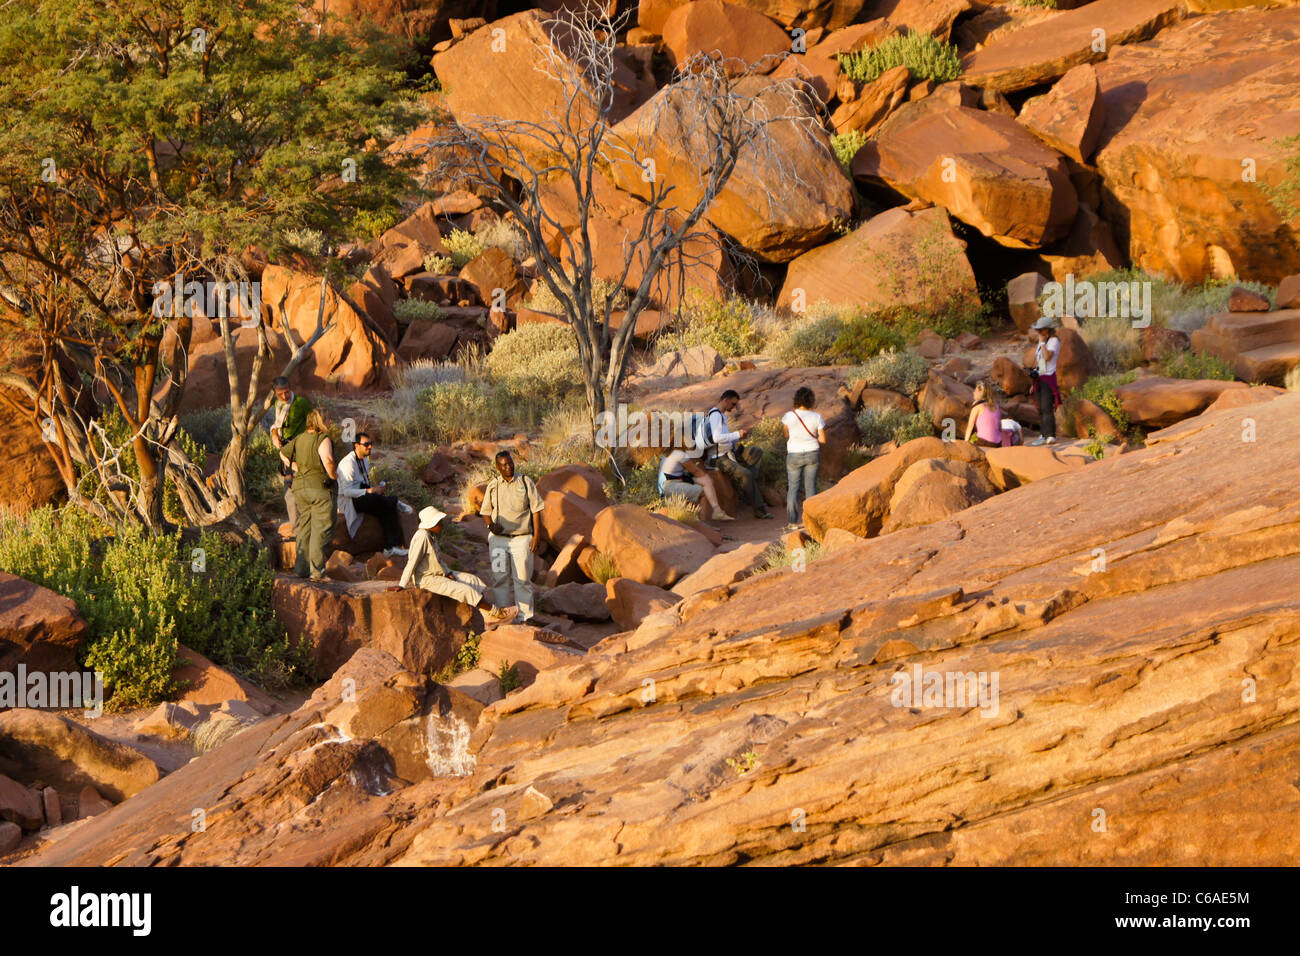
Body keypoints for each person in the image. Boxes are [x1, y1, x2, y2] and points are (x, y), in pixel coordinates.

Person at [389, 507, 507, 617]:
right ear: (432, 523)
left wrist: (447, 572)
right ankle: (496, 612)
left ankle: (487, 616)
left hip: (439, 574)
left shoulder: (431, 535)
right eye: (439, 522)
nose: (441, 525)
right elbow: (412, 562)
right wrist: (401, 585)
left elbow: (438, 560)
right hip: (427, 579)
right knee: (466, 590)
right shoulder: (422, 537)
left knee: (473, 580)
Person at [479, 451, 545, 622]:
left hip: (522, 539)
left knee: (522, 579)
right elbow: (485, 511)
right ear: (497, 467)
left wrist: (537, 536)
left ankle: (525, 617)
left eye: (510, 463)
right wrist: (490, 525)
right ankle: (505, 615)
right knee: (500, 578)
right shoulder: (493, 485)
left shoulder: (525, 481)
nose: (509, 467)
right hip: (498, 541)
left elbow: (536, 510)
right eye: (504, 465)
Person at [696, 389, 772, 519]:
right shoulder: (715, 415)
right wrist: (737, 434)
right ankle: (759, 510)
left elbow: (724, 438)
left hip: (729, 452)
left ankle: (747, 485)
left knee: (756, 452)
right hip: (718, 458)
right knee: (746, 474)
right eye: (733, 404)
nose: (734, 407)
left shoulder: (721, 415)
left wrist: (738, 438)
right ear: (726, 400)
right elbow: (716, 438)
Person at [282, 408, 337, 581]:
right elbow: (328, 460)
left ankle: (300, 569)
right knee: (321, 530)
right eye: (327, 419)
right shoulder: (322, 438)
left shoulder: (299, 438)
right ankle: (317, 572)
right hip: (319, 489)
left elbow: (283, 454)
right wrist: (333, 476)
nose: (330, 422)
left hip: (300, 488)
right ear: (320, 421)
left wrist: (299, 469)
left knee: (304, 529)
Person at [337, 433, 407, 556]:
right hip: (349, 500)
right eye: (366, 444)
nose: (370, 447)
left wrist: (375, 489)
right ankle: (395, 501)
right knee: (384, 502)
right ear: (356, 446)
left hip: (360, 494)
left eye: (371, 444)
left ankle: (390, 547)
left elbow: (364, 483)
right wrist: (370, 491)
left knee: (386, 508)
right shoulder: (348, 463)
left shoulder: (364, 460)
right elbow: (347, 492)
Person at [262, 376, 310, 531]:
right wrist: (274, 435)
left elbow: (315, 422)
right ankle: (297, 529)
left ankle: (308, 526)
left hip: (301, 451)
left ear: (291, 388)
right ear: (274, 393)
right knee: (289, 489)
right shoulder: (277, 404)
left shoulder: (300, 403)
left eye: (287, 392)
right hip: (285, 453)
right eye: (280, 394)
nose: (284, 396)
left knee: (304, 488)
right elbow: (275, 425)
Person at [781, 387, 826, 529]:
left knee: (793, 488)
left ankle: (793, 522)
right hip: (812, 453)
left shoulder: (788, 416)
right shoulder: (817, 417)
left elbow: (786, 435)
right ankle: (811, 522)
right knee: (811, 487)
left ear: (797, 399)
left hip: (794, 454)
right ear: (810, 400)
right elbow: (823, 440)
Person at [658, 441, 733, 521]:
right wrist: (708, 479)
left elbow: (680, 474)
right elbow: (696, 472)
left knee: (705, 481)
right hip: (671, 486)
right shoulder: (680, 454)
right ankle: (704, 522)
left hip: (670, 483)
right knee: (704, 491)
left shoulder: (669, 453)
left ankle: (717, 511)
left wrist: (706, 481)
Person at [1027, 316, 1061, 446]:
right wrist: (1033, 382)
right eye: (1037, 330)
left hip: (1049, 377)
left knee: (1047, 407)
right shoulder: (1042, 342)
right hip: (1040, 377)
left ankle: (1051, 435)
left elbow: (1047, 357)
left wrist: (1041, 342)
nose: (1038, 332)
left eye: (1040, 330)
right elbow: (1041, 362)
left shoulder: (1054, 341)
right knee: (1040, 408)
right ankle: (1043, 434)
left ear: (1047, 330)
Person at [964, 379, 1019, 448]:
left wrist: (965, 444)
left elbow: (970, 426)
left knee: (973, 438)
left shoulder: (978, 407)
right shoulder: (997, 407)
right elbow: (999, 427)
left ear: (981, 392)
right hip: (998, 442)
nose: (973, 392)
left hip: (983, 442)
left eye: (975, 390)